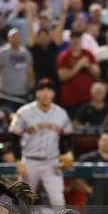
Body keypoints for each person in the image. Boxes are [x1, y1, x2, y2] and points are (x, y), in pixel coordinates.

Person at [10, 79, 73, 207]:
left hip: (52, 162)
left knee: (58, 202)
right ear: (36, 93)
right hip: (29, 161)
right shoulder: (23, 112)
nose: (45, 94)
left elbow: (68, 136)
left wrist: (69, 153)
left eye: (49, 90)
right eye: (42, 90)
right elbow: (13, 136)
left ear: (53, 94)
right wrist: (18, 160)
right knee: (23, 202)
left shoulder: (61, 113)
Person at [57, 30, 99, 116]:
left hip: (88, 99)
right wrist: (78, 65)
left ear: (81, 40)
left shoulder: (88, 54)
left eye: (78, 38)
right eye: (73, 38)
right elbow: (62, 77)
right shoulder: (63, 56)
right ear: (69, 40)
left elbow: (97, 74)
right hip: (70, 101)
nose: (75, 41)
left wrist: (88, 66)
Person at [77, 132, 108, 205]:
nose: (106, 143)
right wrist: (87, 188)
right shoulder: (88, 158)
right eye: (104, 140)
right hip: (93, 199)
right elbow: (76, 175)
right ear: (98, 141)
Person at [0, 28, 34, 104]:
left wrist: (32, 84)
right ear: (9, 38)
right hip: (7, 92)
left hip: (23, 92)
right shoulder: (2, 52)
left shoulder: (26, 53)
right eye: (13, 36)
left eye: (18, 36)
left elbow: (30, 70)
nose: (16, 39)